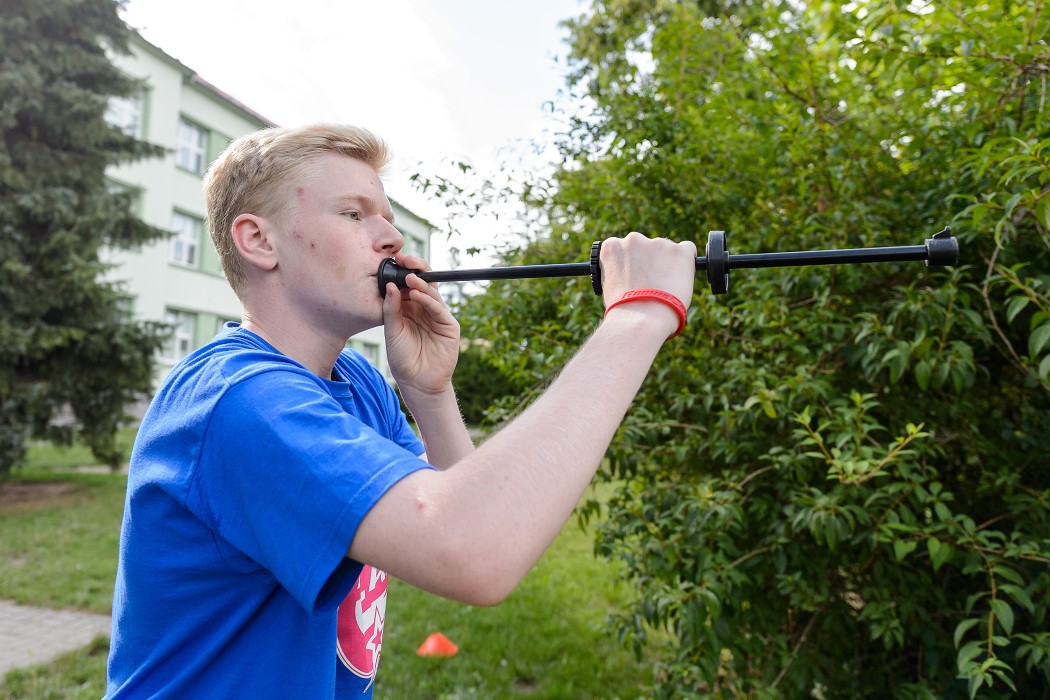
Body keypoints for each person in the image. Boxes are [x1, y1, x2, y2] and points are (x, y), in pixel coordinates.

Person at [104, 123, 697, 698]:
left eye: (386, 216)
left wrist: (431, 395)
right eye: (355, 214)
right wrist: (639, 316)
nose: (390, 237)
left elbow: (463, 521)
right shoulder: (240, 398)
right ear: (259, 241)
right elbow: (476, 553)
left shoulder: (356, 381)